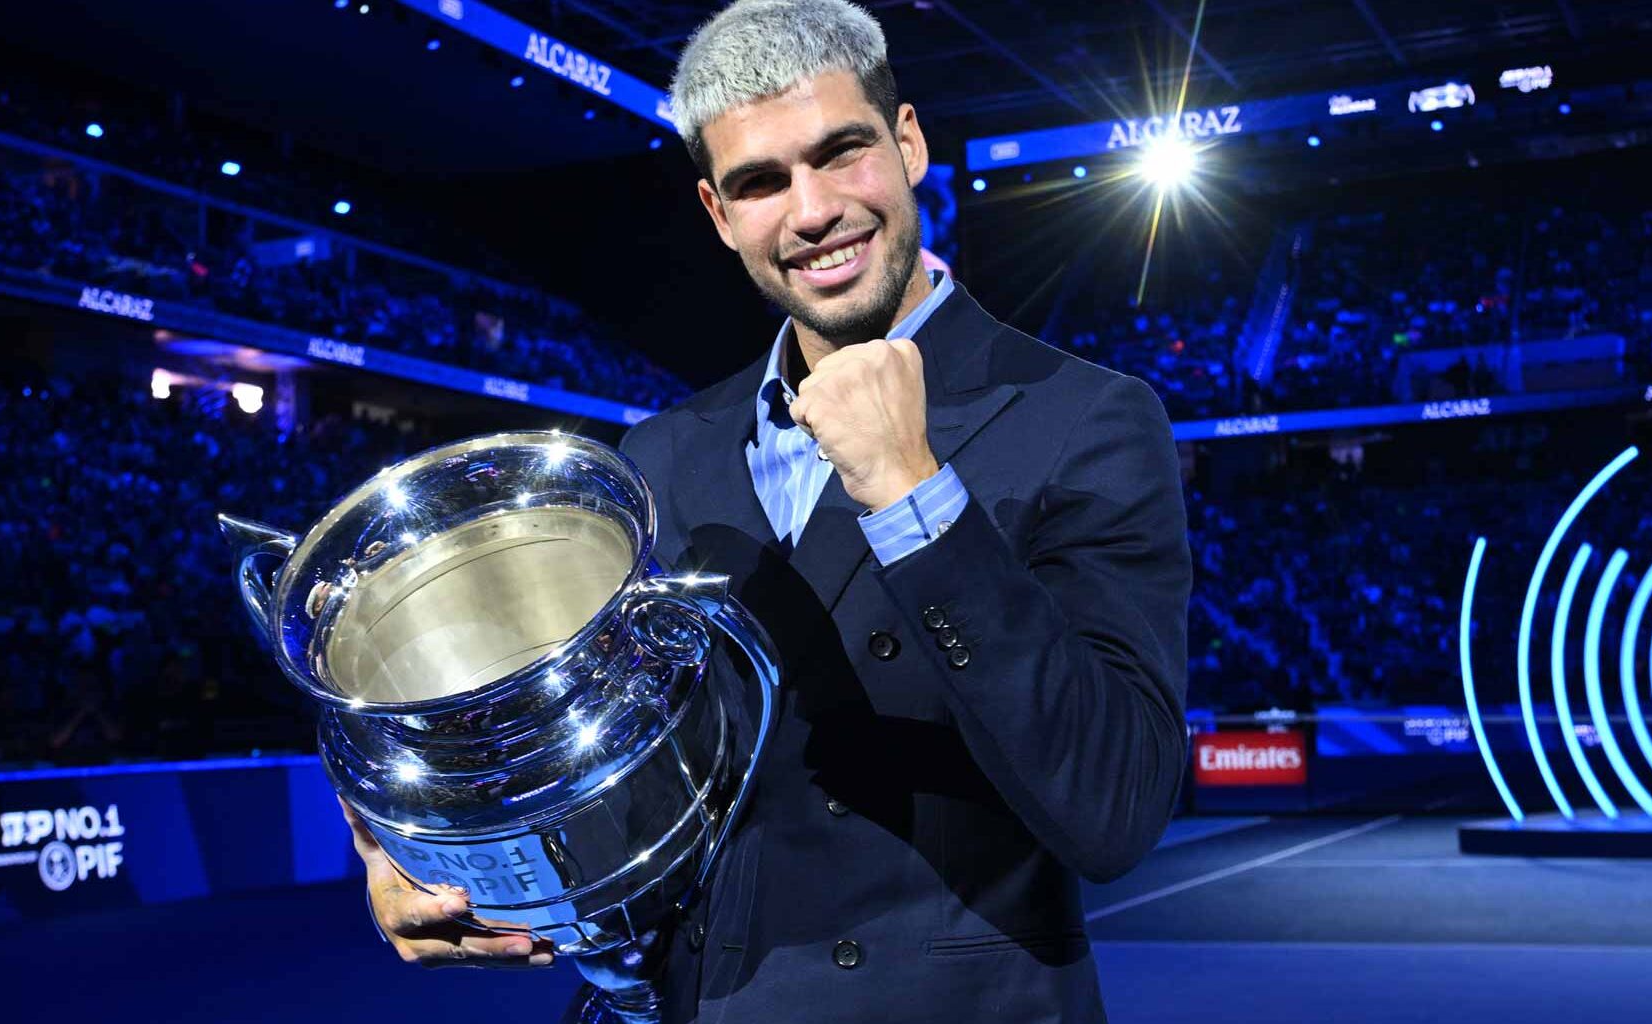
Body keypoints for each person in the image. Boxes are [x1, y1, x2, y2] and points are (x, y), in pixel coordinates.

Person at [347, 1, 1190, 1020]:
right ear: (718, 213)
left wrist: (914, 492)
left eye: (842, 153)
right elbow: (611, 774)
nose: (813, 209)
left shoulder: (1086, 416)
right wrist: (439, 868)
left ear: (908, 143)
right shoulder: (661, 455)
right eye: (761, 182)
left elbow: (1115, 808)